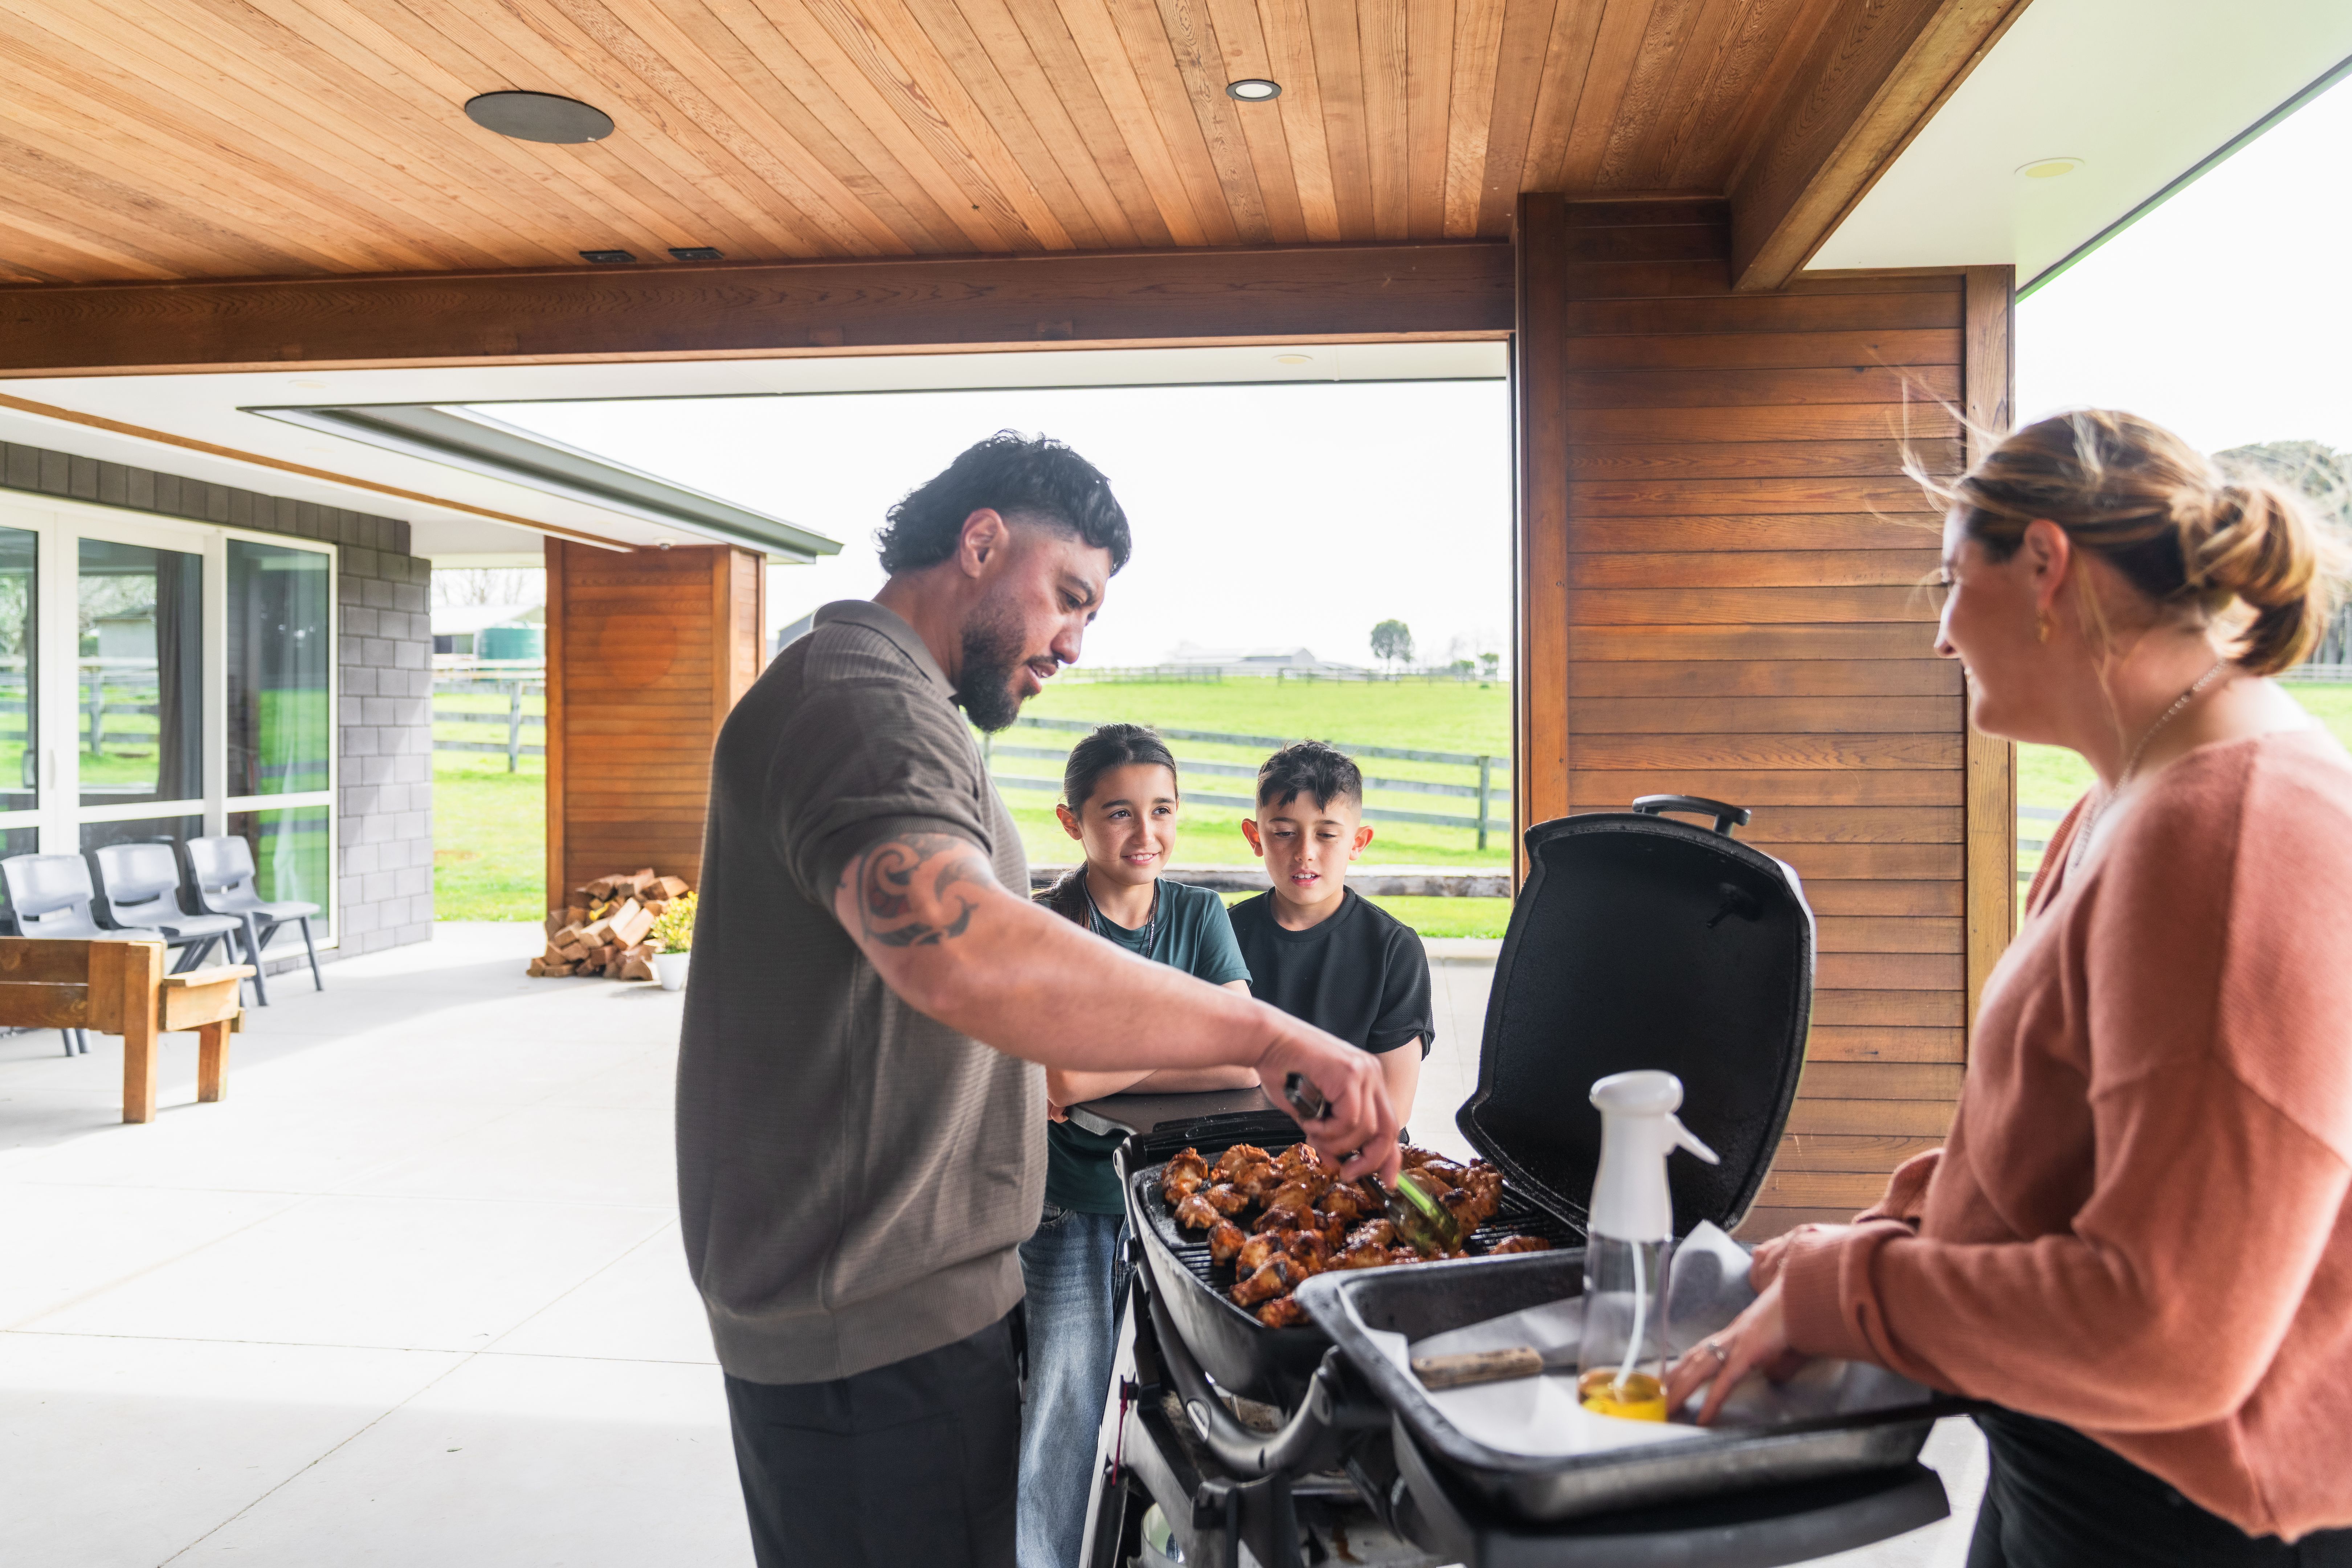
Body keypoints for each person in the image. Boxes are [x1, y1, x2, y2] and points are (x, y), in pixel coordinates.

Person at [674, 433, 1400, 1568]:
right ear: (979, 543)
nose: (1073, 642)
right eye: (1069, 598)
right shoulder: (857, 703)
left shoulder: (890, 700)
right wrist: (1261, 1029)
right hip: (867, 1333)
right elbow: (965, 950)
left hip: (902, 1309)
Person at [1661, 411, 2352, 1564]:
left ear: (2045, 564)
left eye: (1948, 580)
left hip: (2189, 1520)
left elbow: (2172, 1332)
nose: (1940, 635)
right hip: (2066, 1459)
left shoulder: (2232, 832)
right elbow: (2035, 1143)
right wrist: (1877, 1237)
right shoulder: (2118, 800)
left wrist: (1855, 1291)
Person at [1019, 723, 1255, 1568]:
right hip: (1068, 1199)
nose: (1144, 834)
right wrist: (1182, 1040)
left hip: (1183, 1202)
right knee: (1065, 1396)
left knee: (1188, 1397)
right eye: (1118, 813)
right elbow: (1046, 1074)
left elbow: (1240, 1054)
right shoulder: (1045, 925)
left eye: (1161, 810)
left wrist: (1093, 1076)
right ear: (1070, 821)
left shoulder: (1196, 913)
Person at [1225, 740, 1430, 1128]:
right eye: (1284, 832)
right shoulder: (1224, 933)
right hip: (1240, 1156)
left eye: (1327, 835)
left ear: (1358, 842)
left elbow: (1391, 1110)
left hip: (1354, 1160)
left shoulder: (1394, 950)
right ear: (1255, 838)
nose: (1305, 852)